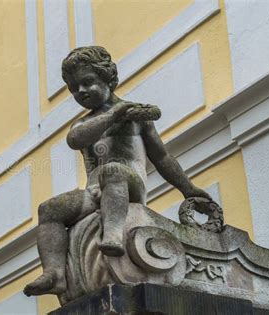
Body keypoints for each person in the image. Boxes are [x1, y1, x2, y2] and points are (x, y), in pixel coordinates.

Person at [24, 46, 212, 296]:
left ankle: (112, 233)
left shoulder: (137, 117)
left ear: (108, 79)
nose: (80, 91)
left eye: (87, 82)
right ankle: (55, 274)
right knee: (49, 209)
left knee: (112, 169)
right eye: (74, 88)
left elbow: (162, 157)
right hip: (94, 191)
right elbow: (75, 139)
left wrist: (189, 189)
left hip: (128, 182)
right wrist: (114, 115)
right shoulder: (86, 122)